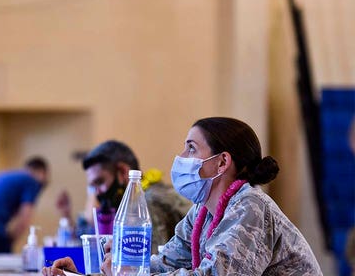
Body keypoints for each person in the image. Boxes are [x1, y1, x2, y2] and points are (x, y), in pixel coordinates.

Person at [44, 117, 322, 275]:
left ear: (222, 162)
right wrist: (87, 274)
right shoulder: (202, 211)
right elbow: (166, 262)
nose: (181, 158)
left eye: (191, 148)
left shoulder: (251, 206)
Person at [56, 140, 191, 253]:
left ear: (123, 172)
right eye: (92, 186)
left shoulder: (147, 204)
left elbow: (146, 267)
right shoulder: (143, 198)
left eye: (100, 182)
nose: (97, 192)